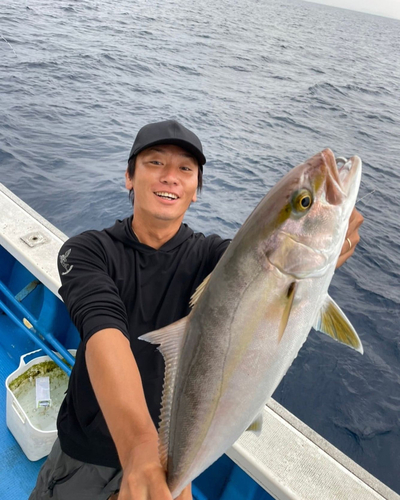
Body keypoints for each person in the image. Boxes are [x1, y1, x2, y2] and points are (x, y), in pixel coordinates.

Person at [29, 120, 364, 500]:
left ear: (196, 192)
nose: (171, 177)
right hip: (84, 456)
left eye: (186, 169)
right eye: (155, 163)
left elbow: (263, 279)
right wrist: (140, 451)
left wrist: (320, 257)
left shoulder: (219, 261)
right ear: (128, 177)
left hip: (173, 458)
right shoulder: (87, 251)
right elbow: (103, 329)